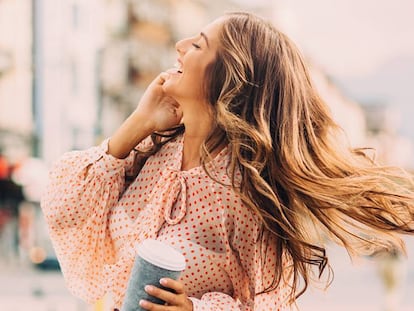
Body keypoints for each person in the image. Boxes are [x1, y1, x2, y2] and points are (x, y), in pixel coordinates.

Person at [41, 12, 414, 311]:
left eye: (198, 45)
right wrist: (138, 124)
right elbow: (63, 208)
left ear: (228, 77)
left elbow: (268, 304)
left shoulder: (246, 190)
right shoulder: (152, 153)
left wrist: (192, 309)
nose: (180, 46)